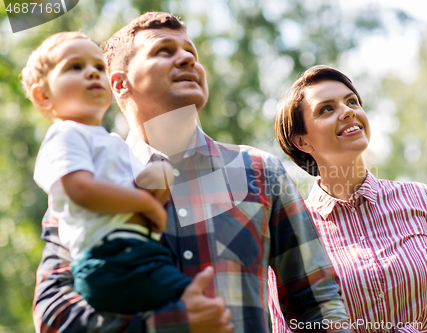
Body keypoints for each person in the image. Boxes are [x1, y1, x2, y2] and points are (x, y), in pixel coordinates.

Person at [32, 13, 352, 333]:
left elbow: (318, 305)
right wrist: (163, 325)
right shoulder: (84, 179)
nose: (186, 58)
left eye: (191, 52)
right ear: (119, 83)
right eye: (164, 51)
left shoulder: (260, 172)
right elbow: (52, 312)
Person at [269, 65, 427, 332]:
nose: (348, 111)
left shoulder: (423, 201)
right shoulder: (291, 233)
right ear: (302, 142)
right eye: (327, 109)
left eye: (352, 101)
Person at [21, 31, 191, 314]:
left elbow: (144, 187)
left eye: (99, 67)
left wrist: (161, 176)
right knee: (189, 304)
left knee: (185, 304)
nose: (92, 73)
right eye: (75, 67)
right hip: (108, 256)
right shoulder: (65, 135)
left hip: (136, 253)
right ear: (43, 95)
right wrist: (146, 204)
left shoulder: (112, 142)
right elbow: (81, 190)